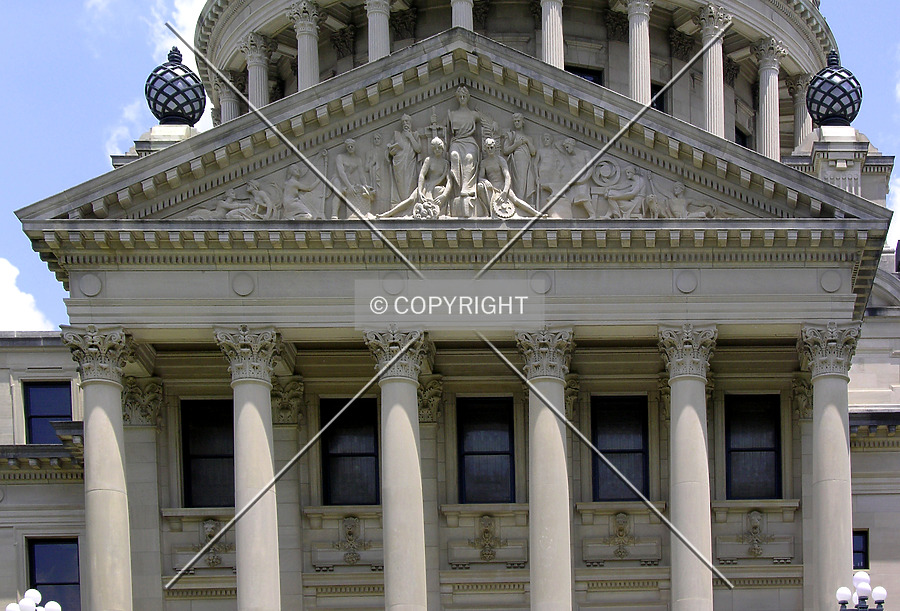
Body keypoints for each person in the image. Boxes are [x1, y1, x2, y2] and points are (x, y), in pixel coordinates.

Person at [380, 137, 451, 219]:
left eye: (439, 148)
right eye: (434, 148)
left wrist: (445, 195)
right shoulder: (429, 160)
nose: (437, 150)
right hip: (425, 187)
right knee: (410, 200)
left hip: (435, 189)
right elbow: (422, 175)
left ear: (443, 148)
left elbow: (449, 181)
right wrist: (420, 191)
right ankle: (388, 214)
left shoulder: (446, 164)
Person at [448, 86, 487, 217]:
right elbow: (439, 126)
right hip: (457, 141)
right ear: (457, 98)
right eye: (460, 97)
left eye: (464, 96)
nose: (462, 99)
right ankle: (457, 190)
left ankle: (467, 187)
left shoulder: (474, 114)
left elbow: (487, 122)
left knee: (469, 158)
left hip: (470, 142)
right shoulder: (451, 114)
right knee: (453, 156)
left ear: (468, 97)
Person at [476, 138, 540, 218]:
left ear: (495, 147)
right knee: (480, 186)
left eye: (491, 147)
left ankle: (536, 213)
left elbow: (507, 176)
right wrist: (485, 181)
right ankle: (489, 212)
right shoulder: (484, 163)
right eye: (488, 148)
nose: (490, 150)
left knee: (515, 200)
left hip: (503, 187)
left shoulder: (500, 160)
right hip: (491, 188)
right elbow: (480, 177)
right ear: (485, 149)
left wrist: (505, 192)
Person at [331, 138, 375, 218]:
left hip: (349, 179)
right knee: (339, 191)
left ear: (354, 147)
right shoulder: (340, 157)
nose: (350, 148)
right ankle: (334, 214)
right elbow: (341, 173)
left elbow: (361, 175)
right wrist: (349, 186)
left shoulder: (358, 160)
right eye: (348, 147)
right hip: (338, 178)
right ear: (346, 148)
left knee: (357, 189)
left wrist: (365, 185)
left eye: (352, 146)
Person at [387, 115, 422, 205]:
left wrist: (410, 137)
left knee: (410, 185)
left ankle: (409, 205)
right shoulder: (397, 135)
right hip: (399, 165)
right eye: (403, 122)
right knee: (401, 186)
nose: (405, 124)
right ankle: (401, 205)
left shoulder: (415, 135)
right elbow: (389, 148)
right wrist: (391, 150)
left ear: (410, 123)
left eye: (407, 121)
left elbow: (418, 149)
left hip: (411, 165)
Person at [503, 113, 537, 203]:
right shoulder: (511, 135)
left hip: (527, 162)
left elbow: (533, 152)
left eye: (518, 121)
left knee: (527, 182)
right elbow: (505, 150)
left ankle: (524, 202)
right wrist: (516, 145)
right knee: (519, 182)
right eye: (515, 121)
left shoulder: (529, 138)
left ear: (523, 122)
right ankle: (519, 202)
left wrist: (527, 141)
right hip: (517, 160)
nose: (516, 123)